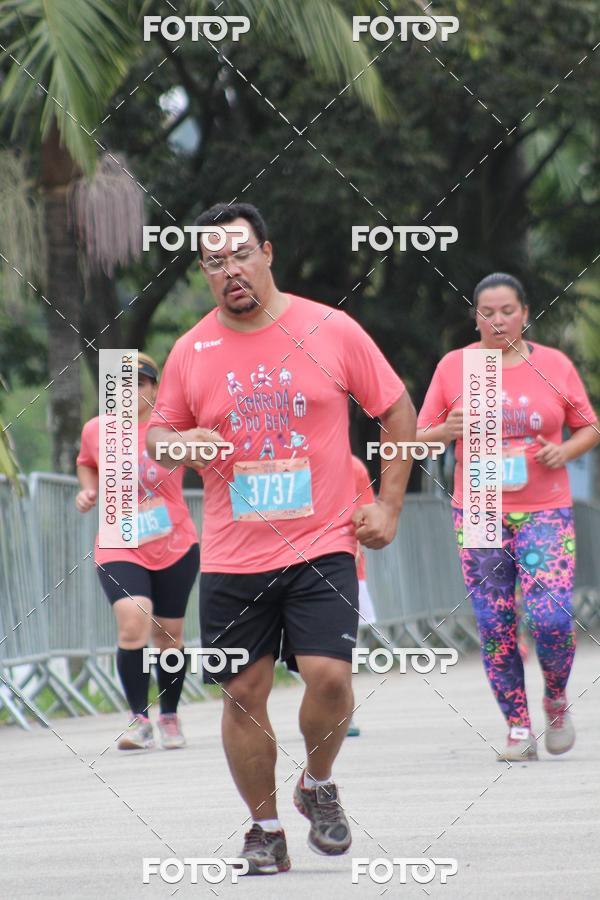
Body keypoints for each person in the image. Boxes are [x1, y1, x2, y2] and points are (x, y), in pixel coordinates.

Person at [146, 202, 416, 874]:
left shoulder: (330, 328)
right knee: (243, 693)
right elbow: (155, 436)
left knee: (328, 677)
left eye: (240, 254)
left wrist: (388, 505)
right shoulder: (191, 350)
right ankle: (264, 829)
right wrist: (178, 440)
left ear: (267, 253)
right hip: (235, 553)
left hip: (322, 540)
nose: (230, 270)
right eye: (214, 262)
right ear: (204, 273)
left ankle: (318, 784)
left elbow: (395, 407)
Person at [417, 272, 599, 761]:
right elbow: (419, 434)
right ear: (475, 316)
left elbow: (589, 427)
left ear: (525, 314)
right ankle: (518, 727)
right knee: (495, 624)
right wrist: (446, 429)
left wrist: (564, 452)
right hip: (479, 509)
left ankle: (555, 698)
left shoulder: (554, 365)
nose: (498, 321)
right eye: (487, 312)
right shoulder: (458, 367)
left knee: (552, 618)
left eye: (508, 312)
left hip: (544, 509)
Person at [76, 353, 200, 751]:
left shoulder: (172, 430)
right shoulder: (97, 430)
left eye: (140, 384)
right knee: (133, 620)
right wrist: (88, 490)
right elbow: (85, 463)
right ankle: (138, 720)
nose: (130, 392)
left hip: (174, 542)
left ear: (155, 388)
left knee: (169, 634)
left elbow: (210, 457)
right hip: (119, 542)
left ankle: (169, 715)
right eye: (122, 385)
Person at [346, 455, 378, 738]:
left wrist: (356, 543)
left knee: (340, 646)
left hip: (344, 567)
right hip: (288, 563)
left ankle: (343, 710)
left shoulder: (353, 467)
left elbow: (366, 513)